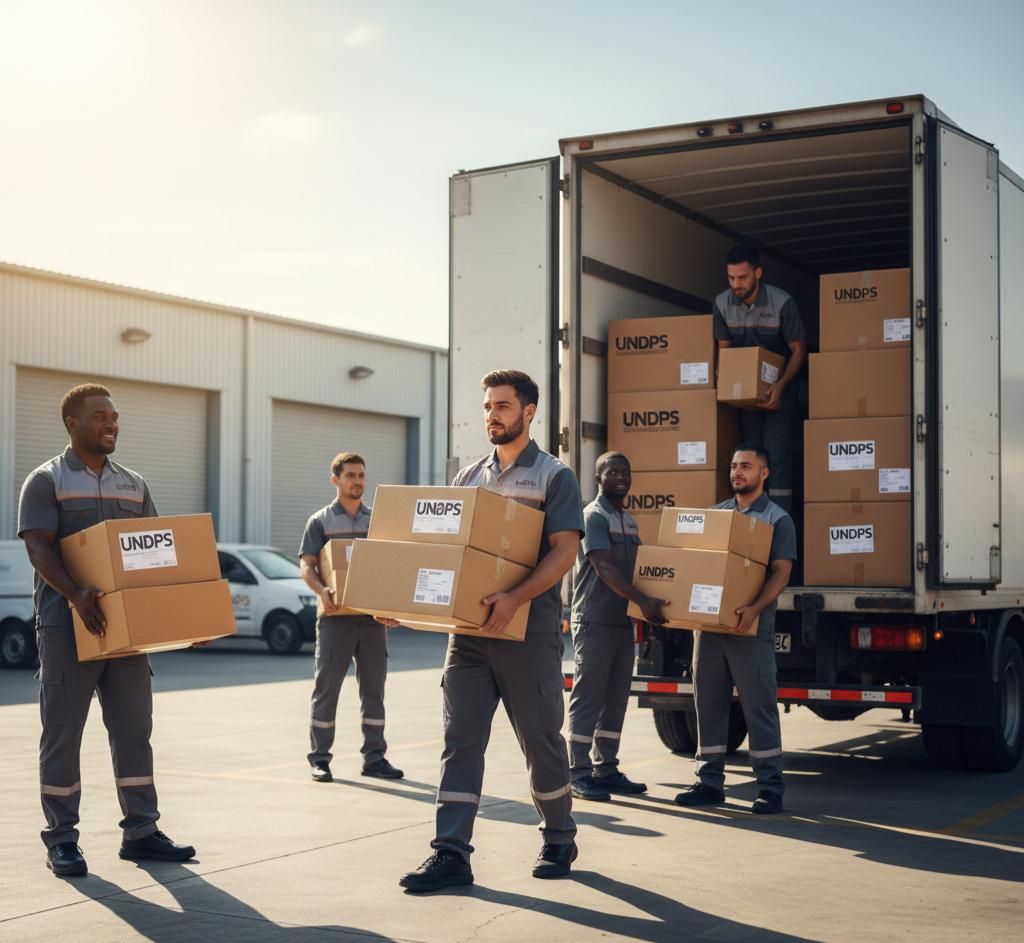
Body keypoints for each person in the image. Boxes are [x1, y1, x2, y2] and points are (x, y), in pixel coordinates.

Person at [399, 369, 584, 892]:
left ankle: (559, 836)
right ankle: (451, 852)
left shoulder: (554, 477)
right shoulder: (468, 478)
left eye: (502, 406)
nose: (491, 415)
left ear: (529, 412)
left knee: (540, 742)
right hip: (469, 636)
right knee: (459, 741)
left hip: (528, 631)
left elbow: (565, 552)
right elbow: (446, 553)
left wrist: (514, 599)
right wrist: (406, 602)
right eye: (487, 407)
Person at [18, 383, 196, 878]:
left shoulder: (134, 485)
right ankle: (62, 839)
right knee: (63, 734)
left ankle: (141, 831)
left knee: (135, 730)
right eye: (100, 416)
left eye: (114, 416)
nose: (111, 423)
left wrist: (183, 618)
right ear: (72, 423)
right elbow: (38, 547)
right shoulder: (46, 481)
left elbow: (155, 553)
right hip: (66, 625)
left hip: (127, 630)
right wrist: (75, 594)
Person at [674, 443, 796, 814]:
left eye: (745, 466)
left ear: (764, 473)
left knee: (759, 705)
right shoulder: (716, 515)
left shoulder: (777, 519)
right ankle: (709, 782)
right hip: (709, 629)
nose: (737, 472)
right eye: (733, 466)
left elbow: (781, 572)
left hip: (750, 628)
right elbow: (697, 564)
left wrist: (755, 608)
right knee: (708, 703)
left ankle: (770, 787)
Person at [567, 452, 667, 801]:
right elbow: (605, 567)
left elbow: (639, 572)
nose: (622, 477)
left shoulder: (629, 521)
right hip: (594, 620)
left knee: (615, 699)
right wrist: (644, 601)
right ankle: (577, 772)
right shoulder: (592, 517)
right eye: (613, 472)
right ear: (599, 478)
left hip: (623, 622)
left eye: (626, 471)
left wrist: (648, 608)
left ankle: (605, 768)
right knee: (588, 697)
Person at [299, 452, 403, 783]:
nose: (357, 481)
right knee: (327, 688)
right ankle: (319, 758)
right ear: (336, 480)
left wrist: (392, 607)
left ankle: (375, 758)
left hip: (372, 620)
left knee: (374, 690)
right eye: (350, 476)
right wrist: (322, 591)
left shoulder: (377, 521)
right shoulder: (320, 521)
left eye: (361, 475)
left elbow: (390, 565)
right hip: (335, 618)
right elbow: (307, 565)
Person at [712, 244, 807, 510]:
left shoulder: (782, 303)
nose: (736, 284)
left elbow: (799, 350)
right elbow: (724, 353)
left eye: (742, 277)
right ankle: (752, 517)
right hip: (746, 396)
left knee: (776, 455)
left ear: (758, 273)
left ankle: (779, 519)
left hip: (780, 388)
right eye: (731, 278)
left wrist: (781, 386)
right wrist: (729, 387)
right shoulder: (721, 304)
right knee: (749, 454)